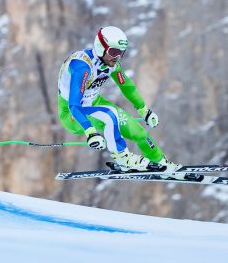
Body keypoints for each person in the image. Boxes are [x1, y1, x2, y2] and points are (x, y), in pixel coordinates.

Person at [57, 26, 181, 172]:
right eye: (114, 52)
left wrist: (144, 110)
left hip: (95, 104)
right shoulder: (82, 67)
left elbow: (126, 85)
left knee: (139, 133)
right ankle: (123, 158)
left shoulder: (111, 63)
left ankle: (162, 163)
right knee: (110, 114)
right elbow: (74, 104)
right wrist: (90, 131)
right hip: (73, 114)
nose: (117, 57)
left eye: (121, 52)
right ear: (100, 47)